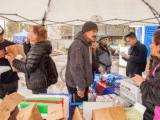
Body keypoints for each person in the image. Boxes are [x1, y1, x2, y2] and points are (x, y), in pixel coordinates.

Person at [5, 26, 52, 94]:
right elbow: (31, 55)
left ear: (36, 35)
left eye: (31, 32)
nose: (29, 34)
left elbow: (28, 68)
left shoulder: (37, 48)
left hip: (38, 82)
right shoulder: (40, 46)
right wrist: (27, 43)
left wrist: (13, 60)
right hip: (40, 80)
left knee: (39, 102)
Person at [65, 21, 98, 105]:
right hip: (76, 85)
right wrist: (81, 87)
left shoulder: (86, 44)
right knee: (78, 110)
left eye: (96, 32)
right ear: (85, 31)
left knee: (83, 107)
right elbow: (76, 69)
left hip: (82, 84)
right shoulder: (78, 45)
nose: (95, 34)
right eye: (93, 31)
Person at [132, 30, 160, 120]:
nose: (150, 46)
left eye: (153, 43)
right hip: (150, 111)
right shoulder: (158, 61)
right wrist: (146, 80)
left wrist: (142, 83)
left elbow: (157, 95)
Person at [0, 26, 19, 99]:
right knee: (1, 106)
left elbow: (19, 58)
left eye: (0, 35)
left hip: (13, 79)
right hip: (1, 82)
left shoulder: (11, 44)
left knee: (13, 103)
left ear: (3, 33)